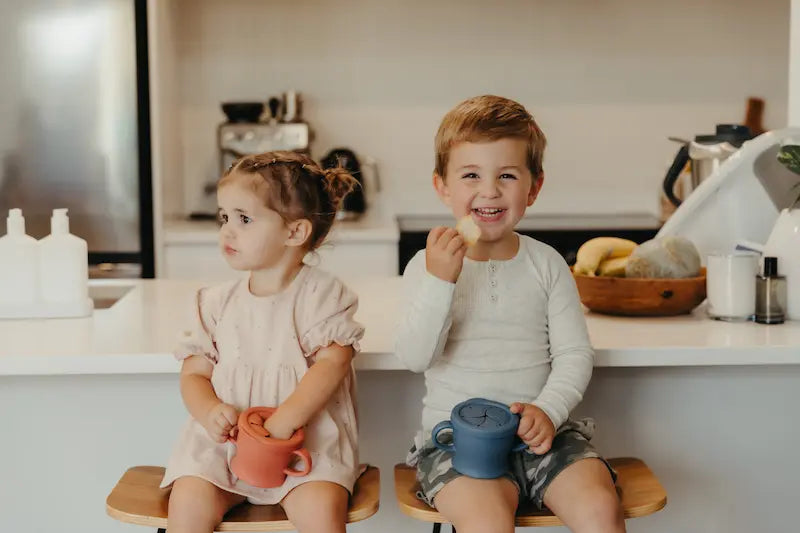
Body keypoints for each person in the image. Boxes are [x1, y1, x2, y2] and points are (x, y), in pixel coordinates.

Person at [396, 95, 624, 533]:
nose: (489, 190)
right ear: (442, 186)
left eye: (506, 175)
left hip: (546, 436)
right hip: (454, 441)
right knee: (486, 523)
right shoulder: (425, 269)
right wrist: (441, 281)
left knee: (599, 507)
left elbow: (575, 354)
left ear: (533, 187)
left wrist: (549, 410)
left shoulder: (547, 264)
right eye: (470, 176)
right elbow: (414, 356)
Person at [161, 151, 364, 533]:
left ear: (294, 232)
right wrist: (209, 411)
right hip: (224, 449)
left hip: (306, 448)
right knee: (188, 501)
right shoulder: (215, 303)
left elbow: (333, 364)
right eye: (224, 217)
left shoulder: (321, 297)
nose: (227, 230)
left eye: (244, 219)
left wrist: (286, 420)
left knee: (321, 510)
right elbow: (193, 375)